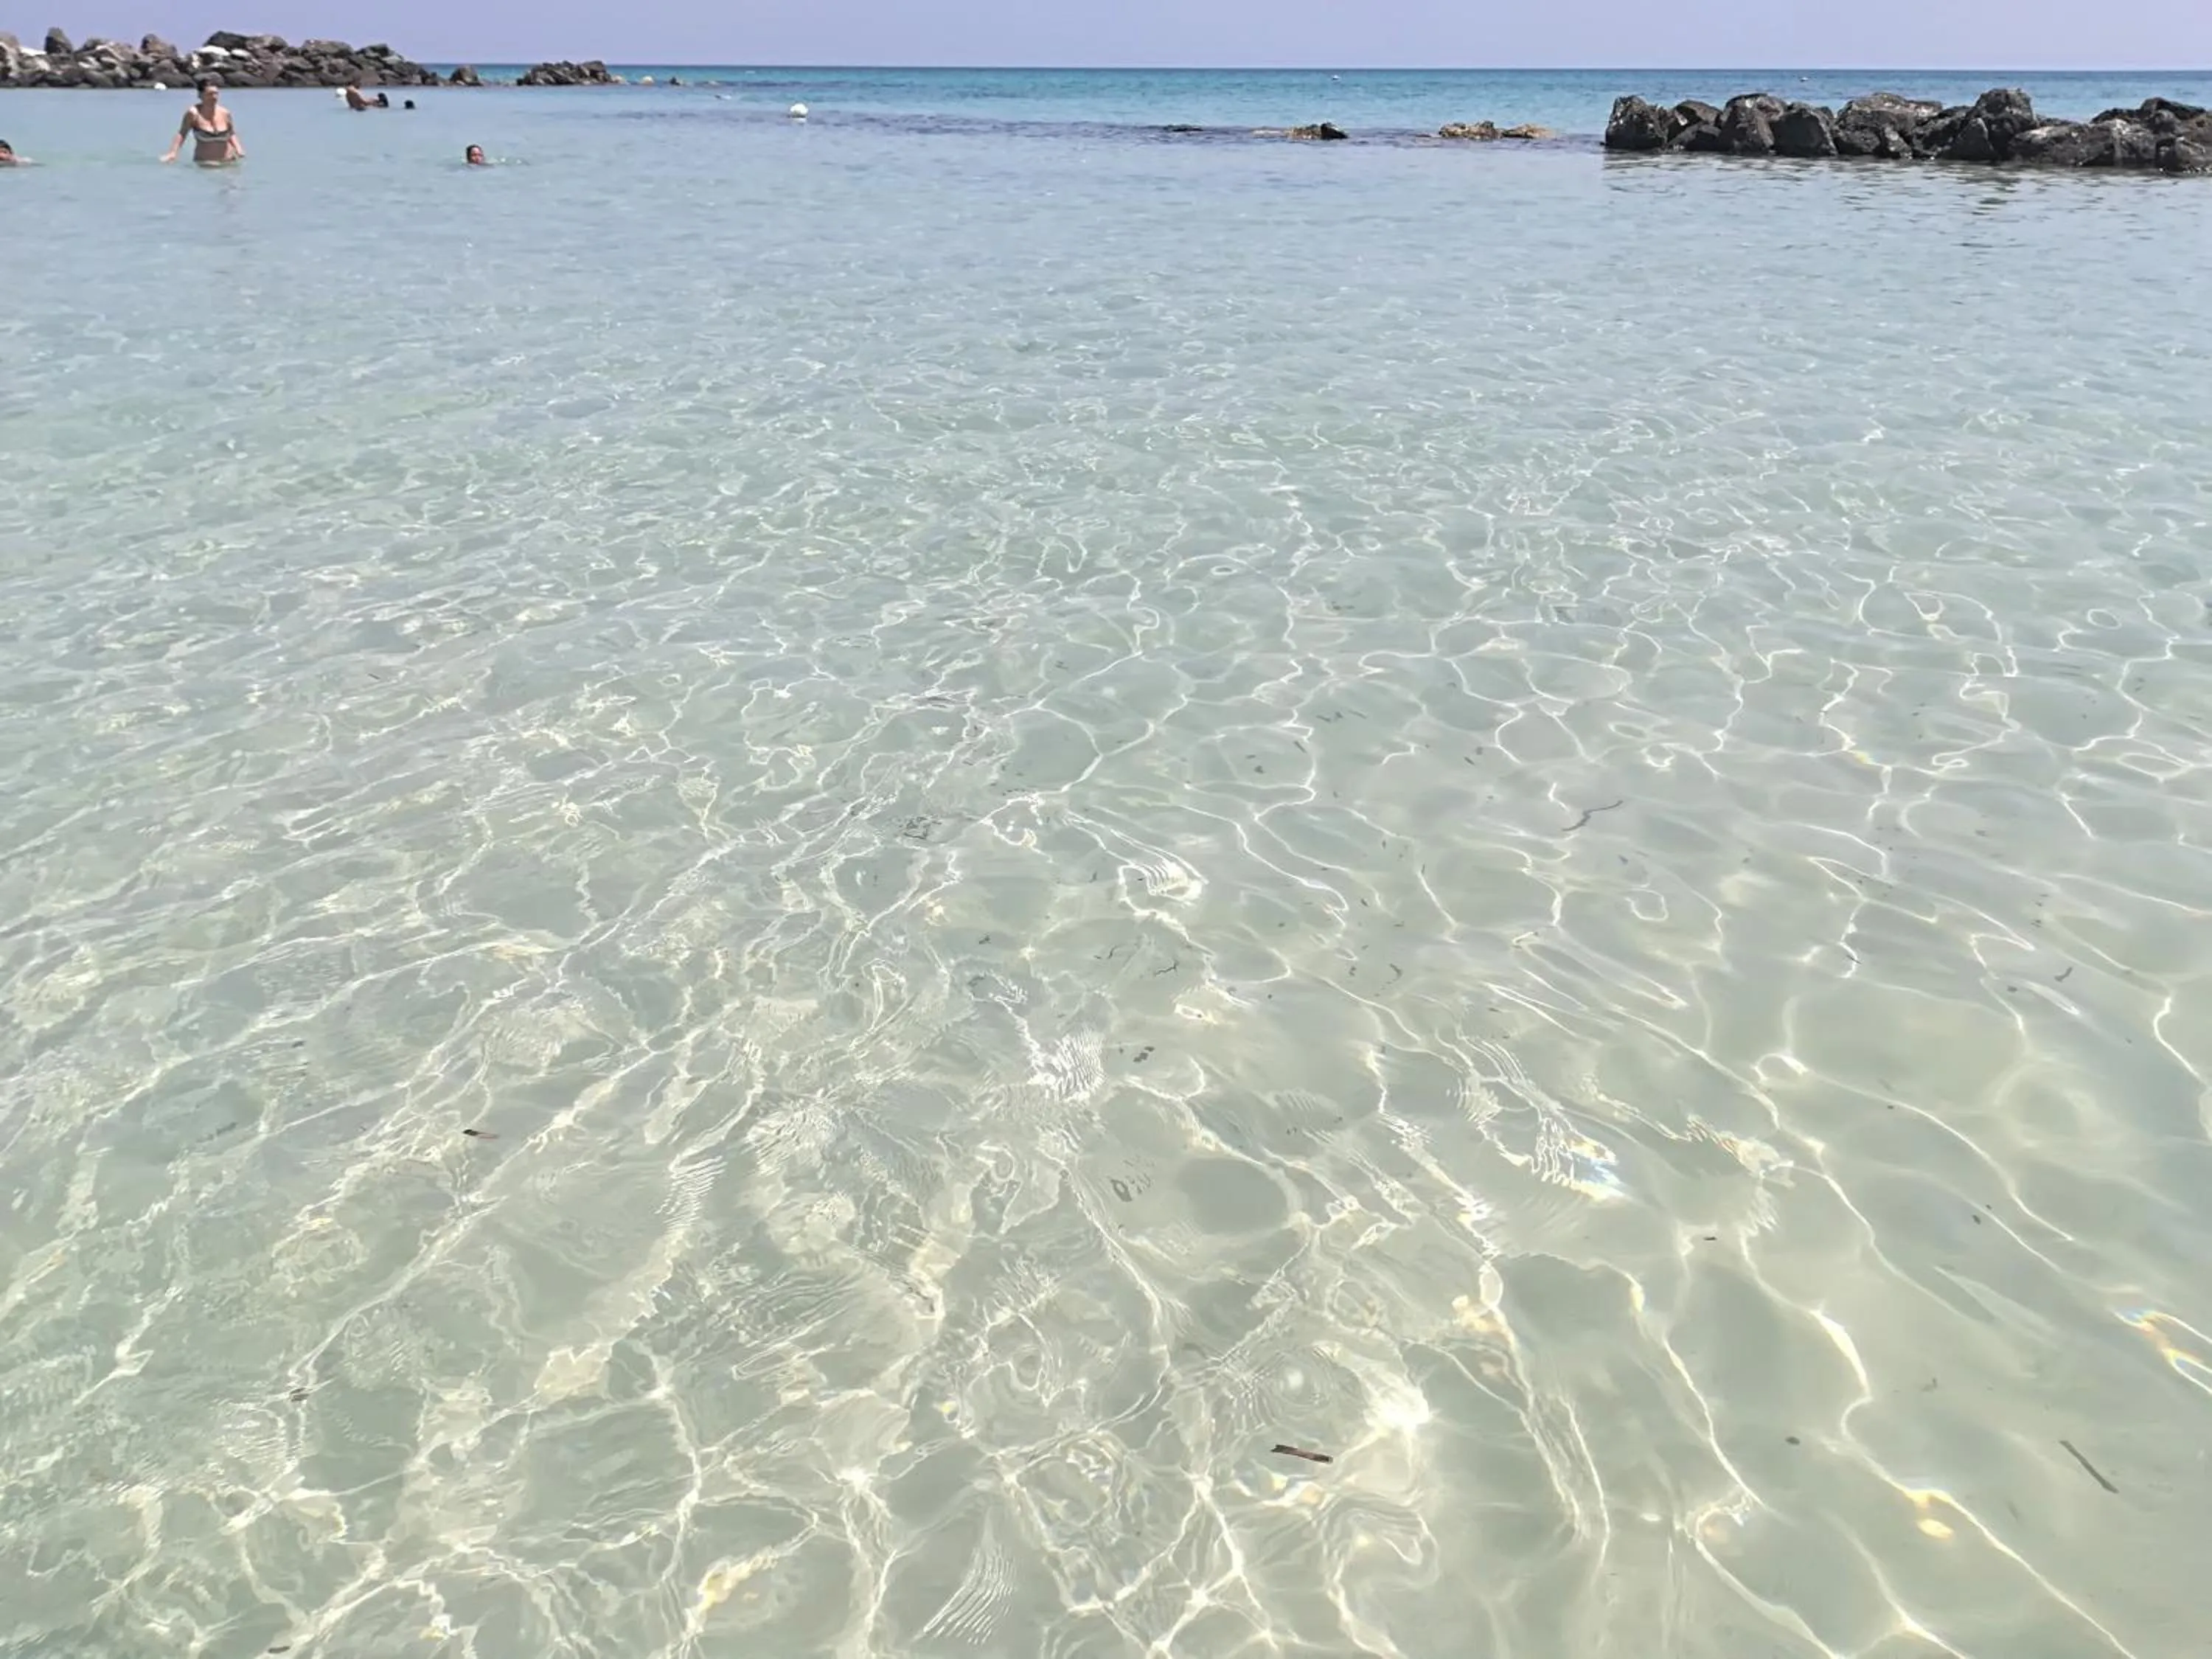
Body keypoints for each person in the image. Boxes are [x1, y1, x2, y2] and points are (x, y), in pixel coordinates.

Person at [163, 81, 242, 164]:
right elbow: (182, 134)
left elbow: (231, 133)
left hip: (228, 163)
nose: (214, 97)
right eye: (210, 94)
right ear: (200, 95)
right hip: (205, 165)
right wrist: (173, 153)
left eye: (216, 94)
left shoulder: (225, 113)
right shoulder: (193, 113)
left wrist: (238, 148)